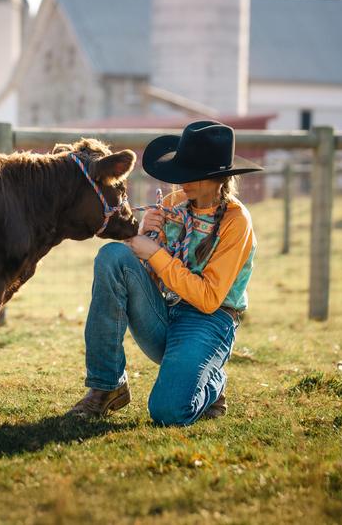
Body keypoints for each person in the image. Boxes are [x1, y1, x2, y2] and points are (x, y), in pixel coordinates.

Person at [69, 120, 263, 425]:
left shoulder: (236, 222)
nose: (181, 180)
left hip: (209, 322)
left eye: (192, 174)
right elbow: (152, 276)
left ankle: (213, 383)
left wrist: (155, 253)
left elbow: (209, 299)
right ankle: (107, 386)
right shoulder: (173, 204)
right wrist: (146, 239)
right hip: (166, 310)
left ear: (218, 178)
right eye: (181, 170)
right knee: (113, 255)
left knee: (168, 413)